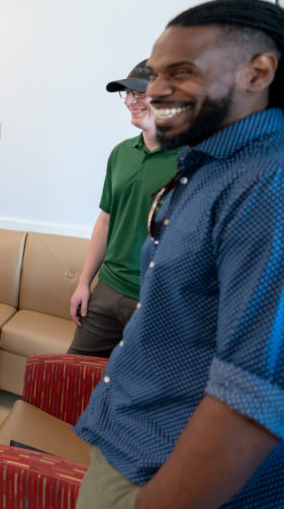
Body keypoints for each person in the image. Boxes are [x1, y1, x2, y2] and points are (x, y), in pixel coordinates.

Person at [74, 0, 284, 508]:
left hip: (172, 480)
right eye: (155, 74)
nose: (155, 90)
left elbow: (255, 402)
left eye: (180, 73)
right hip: (131, 450)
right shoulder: (210, 166)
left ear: (258, 72)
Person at [67, 61, 179, 357]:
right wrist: (83, 283)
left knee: (137, 392)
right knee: (73, 377)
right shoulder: (121, 153)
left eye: (140, 93)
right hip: (107, 289)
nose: (130, 101)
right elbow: (105, 220)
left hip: (155, 299)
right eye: (128, 93)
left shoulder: (191, 159)